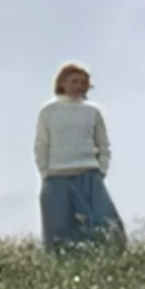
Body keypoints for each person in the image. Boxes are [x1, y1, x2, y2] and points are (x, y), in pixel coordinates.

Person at [35, 61, 126, 253]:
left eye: (82, 83)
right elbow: (41, 145)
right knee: (59, 229)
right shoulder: (48, 111)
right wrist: (45, 172)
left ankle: (113, 260)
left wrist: (101, 170)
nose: (78, 86)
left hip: (89, 175)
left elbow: (103, 144)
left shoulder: (92, 112)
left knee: (105, 222)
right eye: (74, 81)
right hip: (57, 176)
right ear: (62, 83)